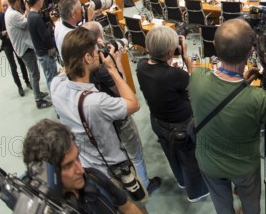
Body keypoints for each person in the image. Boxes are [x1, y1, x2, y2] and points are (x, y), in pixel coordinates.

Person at [188, 18, 266, 214]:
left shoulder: (196, 78)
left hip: (207, 161)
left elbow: (221, 94)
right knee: (251, 206)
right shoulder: (259, 100)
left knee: (222, 206)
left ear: (214, 46)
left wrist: (242, 81)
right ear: (251, 52)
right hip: (243, 168)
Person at [51, 27, 150, 209]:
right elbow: (133, 104)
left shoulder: (56, 87)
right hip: (114, 170)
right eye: (96, 52)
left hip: (89, 167)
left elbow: (64, 71)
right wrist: (112, 68)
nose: (99, 54)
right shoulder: (97, 102)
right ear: (88, 58)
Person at [82, 22, 161, 195]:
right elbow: (125, 91)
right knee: (135, 153)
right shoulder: (103, 69)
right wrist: (116, 62)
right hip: (119, 116)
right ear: (99, 40)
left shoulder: (84, 62)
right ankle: (144, 185)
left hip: (101, 120)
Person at [137, 27, 209, 203]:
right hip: (182, 126)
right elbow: (196, 83)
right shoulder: (175, 74)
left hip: (158, 121)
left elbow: (160, 76)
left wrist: (168, 65)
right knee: (190, 160)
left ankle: (182, 182)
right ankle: (197, 192)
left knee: (172, 155)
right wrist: (185, 57)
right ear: (171, 51)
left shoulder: (141, 66)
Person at [22, 119, 143, 214]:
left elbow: (128, 208)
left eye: (77, 158)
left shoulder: (93, 177)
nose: (80, 170)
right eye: (68, 165)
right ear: (47, 174)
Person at [4, 0, 52, 109]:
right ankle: (39, 101)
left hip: (22, 47)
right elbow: (27, 22)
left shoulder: (9, 12)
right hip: (25, 48)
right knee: (35, 74)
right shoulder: (13, 14)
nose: (20, 3)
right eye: (19, 1)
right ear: (15, 1)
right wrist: (27, 8)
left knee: (32, 73)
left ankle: (38, 93)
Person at [0, 0, 30, 96]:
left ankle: (27, 81)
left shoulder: (13, 14)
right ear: (1, 6)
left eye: (6, 5)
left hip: (16, 42)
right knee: (13, 66)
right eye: (3, 6)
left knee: (21, 63)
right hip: (6, 45)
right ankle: (19, 87)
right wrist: (4, 33)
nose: (5, 7)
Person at [27, 0, 59, 92]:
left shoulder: (31, 15)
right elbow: (45, 36)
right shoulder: (36, 17)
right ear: (37, 1)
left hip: (40, 52)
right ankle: (56, 101)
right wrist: (52, 23)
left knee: (49, 76)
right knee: (52, 79)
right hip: (46, 53)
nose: (43, 0)